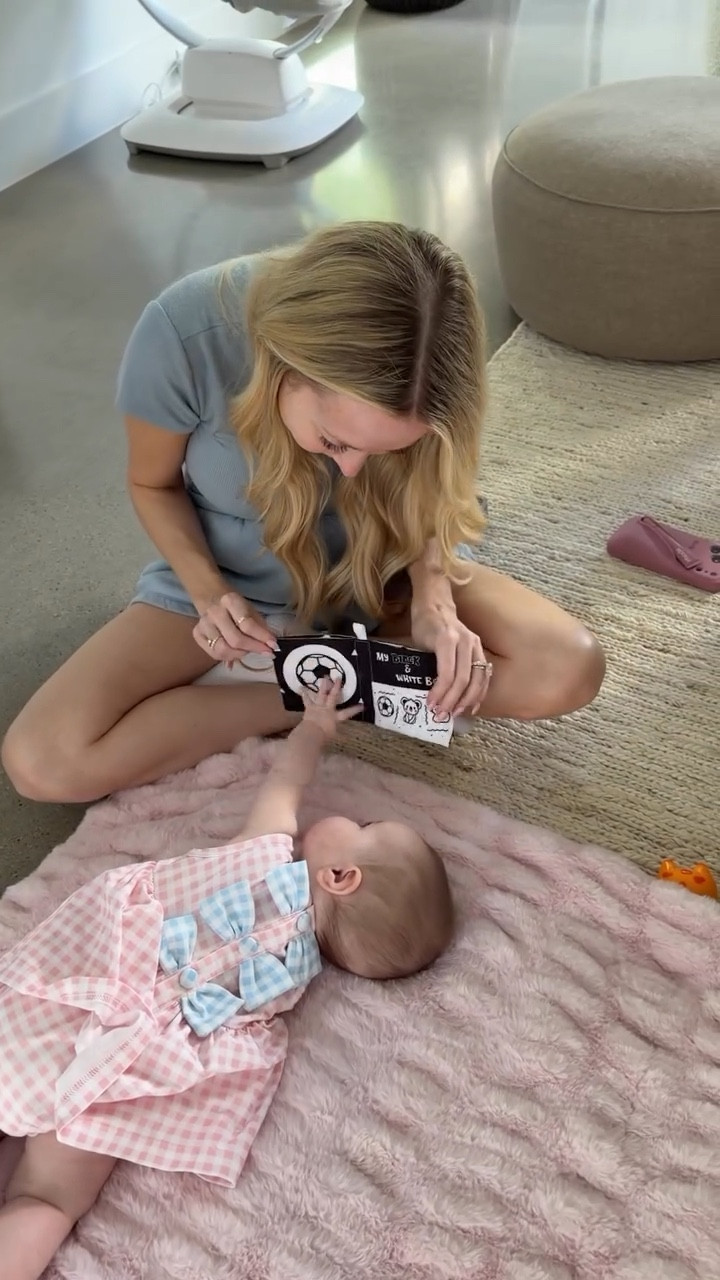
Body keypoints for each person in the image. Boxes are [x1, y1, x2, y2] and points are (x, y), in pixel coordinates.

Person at [1, 221, 605, 806]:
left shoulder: (428, 341)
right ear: (282, 368)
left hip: (386, 572)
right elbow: (151, 484)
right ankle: (335, 685)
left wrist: (434, 600)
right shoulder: (184, 334)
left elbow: (435, 496)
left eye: (388, 451)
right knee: (44, 762)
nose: (352, 472)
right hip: (236, 583)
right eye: (334, 442)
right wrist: (209, 594)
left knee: (567, 667)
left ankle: (307, 675)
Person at [0, 680, 454, 1280]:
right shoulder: (288, 984)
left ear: (341, 875)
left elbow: (286, 781)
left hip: (74, 1007)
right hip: (127, 1076)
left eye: (367, 825)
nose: (355, 818)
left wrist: (314, 727)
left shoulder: (263, 859)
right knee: (48, 1200)